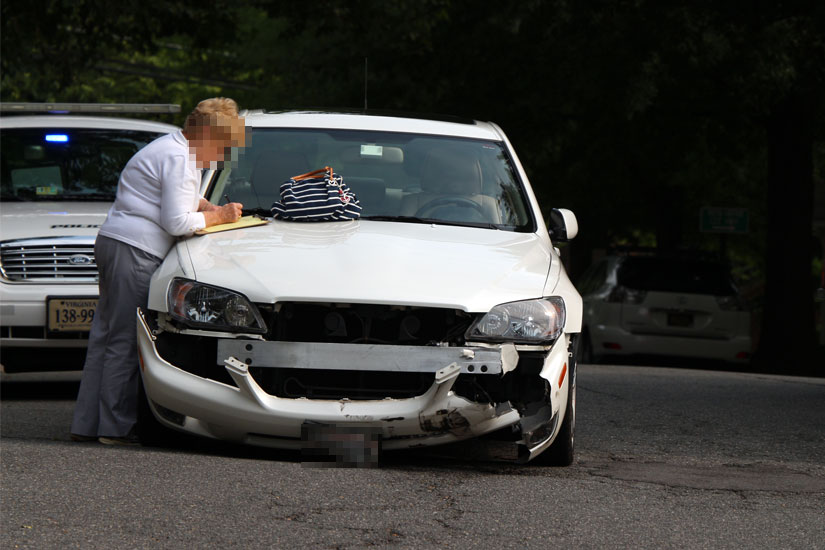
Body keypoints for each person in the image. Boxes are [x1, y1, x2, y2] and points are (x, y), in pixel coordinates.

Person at [70, 97, 246, 445]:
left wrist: (206, 205)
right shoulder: (183, 158)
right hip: (137, 250)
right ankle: (116, 428)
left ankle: (88, 423)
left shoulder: (171, 148)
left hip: (116, 242)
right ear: (207, 134)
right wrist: (220, 216)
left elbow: (174, 196)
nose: (224, 154)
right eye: (223, 145)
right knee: (125, 340)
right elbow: (177, 221)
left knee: (105, 337)